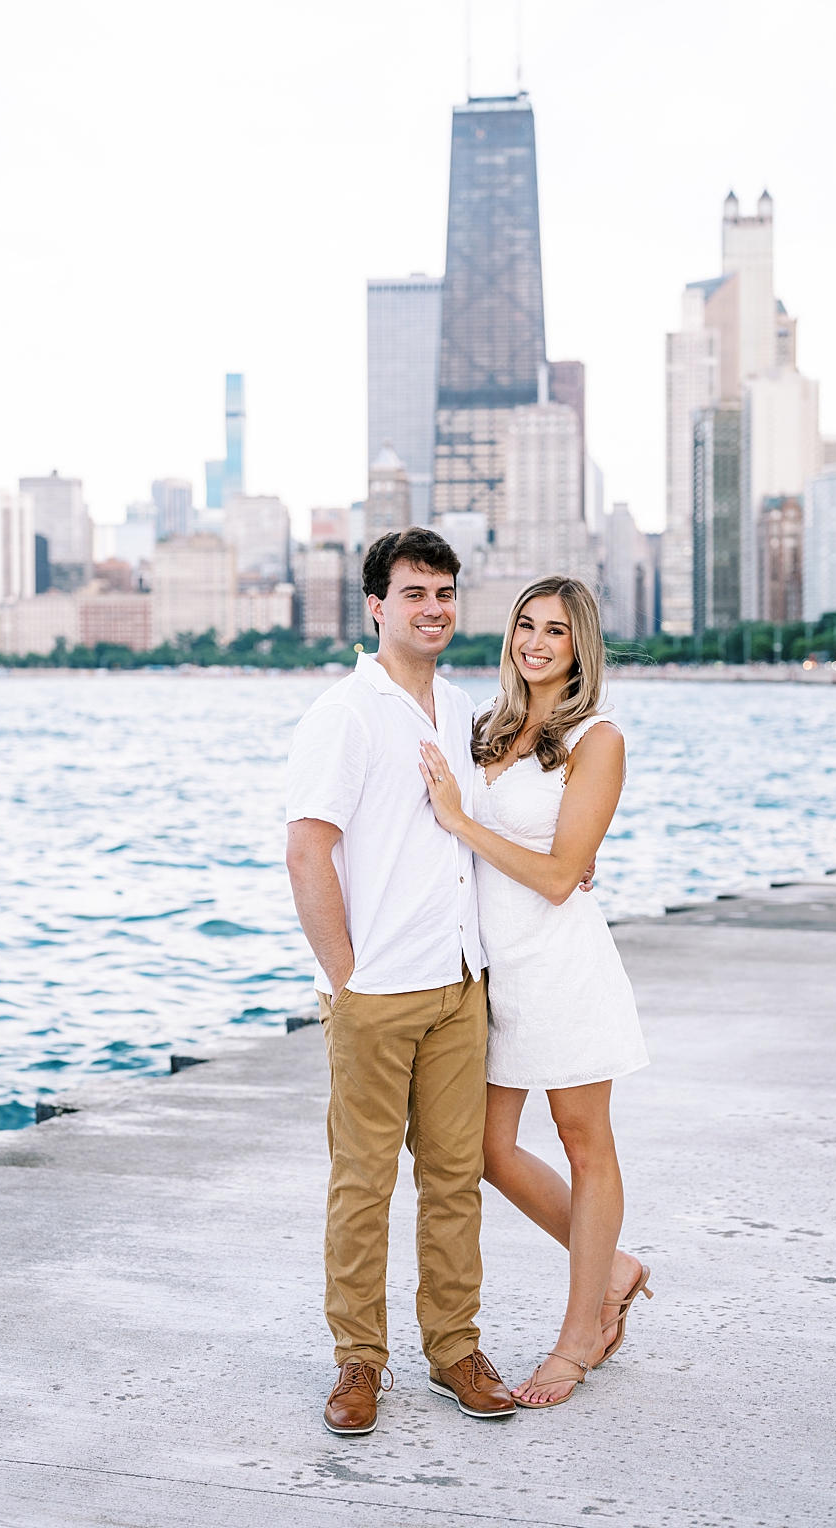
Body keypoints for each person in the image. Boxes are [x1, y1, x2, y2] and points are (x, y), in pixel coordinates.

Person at [284, 526, 517, 1434]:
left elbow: (480, 829)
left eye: (446, 593)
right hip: (378, 990)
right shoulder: (345, 715)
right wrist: (347, 980)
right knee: (363, 1183)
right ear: (377, 606)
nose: (434, 609)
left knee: (455, 1178)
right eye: (415, 593)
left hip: (462, 983)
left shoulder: (460, 710)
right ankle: (357, 1361)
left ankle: (453, 1347)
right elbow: (308, 848)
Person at [415, 574, 652, 1410]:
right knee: (481, 1147)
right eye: (525, 625)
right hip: (491, 973)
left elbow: (558, 877)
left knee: (587, 1145)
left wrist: (461, 821)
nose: (536, 642)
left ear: (580, 644)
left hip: (561, 967)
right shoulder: (489, 729)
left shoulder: (598, 737)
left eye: (555, 630)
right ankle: (614, 1271)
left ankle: (578, 1336)